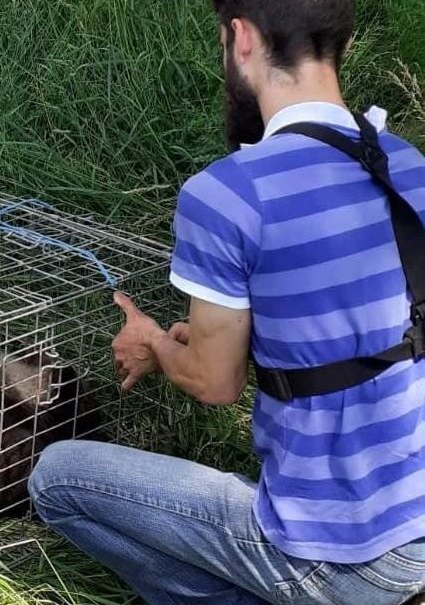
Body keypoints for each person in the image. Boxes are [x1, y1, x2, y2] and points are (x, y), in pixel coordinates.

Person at [28, 1, 425, 603]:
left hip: (341, 553)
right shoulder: (406, 164)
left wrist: (156, 341)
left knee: (54, 479)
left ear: (241, 39)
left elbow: (216, 386)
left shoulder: (227, 193)